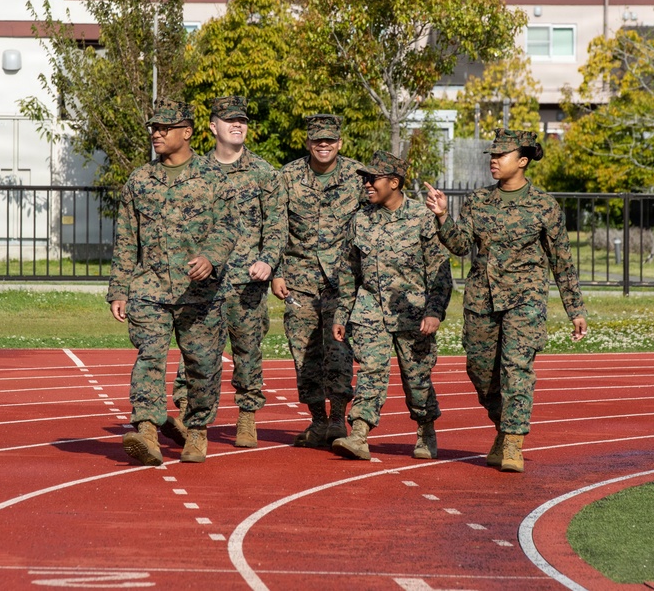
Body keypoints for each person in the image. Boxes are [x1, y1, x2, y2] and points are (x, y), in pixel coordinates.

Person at [424, 128, 588, 473]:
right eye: (492, 156)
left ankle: (513, 441)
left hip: (525, 300)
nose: (494, 162)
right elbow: (458, 245)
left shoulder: (544, 206)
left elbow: (562, 260)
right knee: (481, 372)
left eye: (502, 156)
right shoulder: (479, 200)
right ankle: (503, 426)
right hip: (482, 301)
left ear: (523, 161)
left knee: (517, 370)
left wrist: (575, 309)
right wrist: (442, 215)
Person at [107, 99, 238, 466]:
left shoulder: (214, 179)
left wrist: (210, 257)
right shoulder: (139, 180)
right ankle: (147, 429)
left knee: (202, 364)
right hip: (149, 290)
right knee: (149, 357)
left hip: (200, 293)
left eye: (165, 127)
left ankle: (196, 430)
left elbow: (229, 228)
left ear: (187, 132)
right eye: (154, 127)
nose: (157, 133)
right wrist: (119, 289)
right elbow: (126, 239)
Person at [165, 95, 285, 449]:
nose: (238, 125)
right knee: (197, 352)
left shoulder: (264, 172)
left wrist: (268, 259)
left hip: (247, 282)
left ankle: (246, 417)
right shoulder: (195, 169)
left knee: (248, 353)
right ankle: (189, 416)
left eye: (243, 121)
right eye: (230, 120)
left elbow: (276, 226)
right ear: (212, 127)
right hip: (204, 282)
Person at [331, 151, 452, 461]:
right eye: (365, 179)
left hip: (412, 313)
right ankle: (359, 434)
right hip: (369, 310)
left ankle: (426, 427)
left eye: (373, 179)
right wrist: (342, 313)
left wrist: (435, 311)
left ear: (394, 182)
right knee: (371, 369)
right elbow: (349, 272)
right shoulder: (360, 219)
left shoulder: (422, 217)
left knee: (417, 381)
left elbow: (440, 271)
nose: (367, 184)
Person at [271, 113, 364, 447]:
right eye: (317, 140)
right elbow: (277, 227)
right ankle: (318, 420)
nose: (323, 146)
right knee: (303, 351)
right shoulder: (288, 177)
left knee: (338, 349)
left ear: (339, 143)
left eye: (330, 141)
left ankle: (338, 419)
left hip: (343, 281)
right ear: (307, 142)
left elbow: (374, 218)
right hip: (300, 279)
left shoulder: (358, 175)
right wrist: (276, 272)